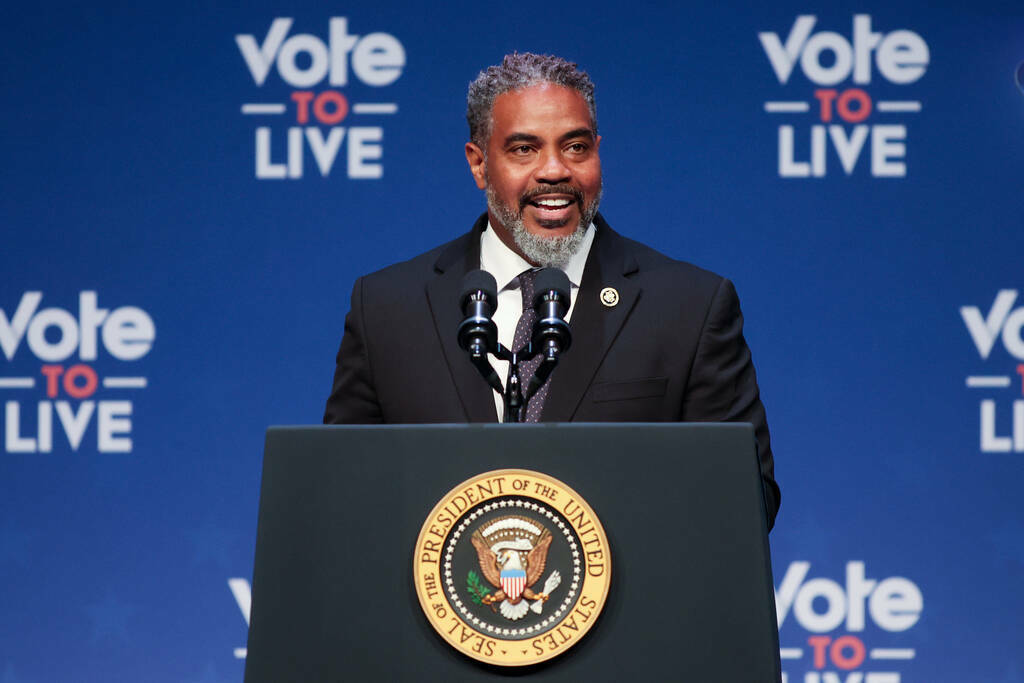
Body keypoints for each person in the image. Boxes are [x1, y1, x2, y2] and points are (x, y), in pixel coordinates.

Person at [323, 53, 779, 527]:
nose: (555, 171)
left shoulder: (689, 307)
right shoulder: (387, 309)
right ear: (478, 164)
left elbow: (746, 502)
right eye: (524, 149)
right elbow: (338, 494)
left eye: (576, 147)